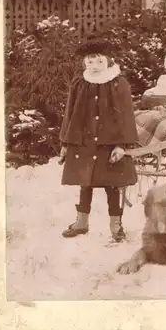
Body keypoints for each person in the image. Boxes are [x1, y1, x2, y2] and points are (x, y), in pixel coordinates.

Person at [58, 35, 138, 242]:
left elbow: (126, 115)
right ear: (84, 62)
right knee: (85, 182)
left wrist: (121, 145)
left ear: (109, 61)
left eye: (99, 61)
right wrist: (66, 143)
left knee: (112, 184)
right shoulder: (80, 83)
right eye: (89, 61)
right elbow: (70, 113)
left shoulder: (119, 84)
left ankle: (116, 225)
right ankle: (81, 222)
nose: (94, 65)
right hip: (84, 142)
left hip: (109, 144)